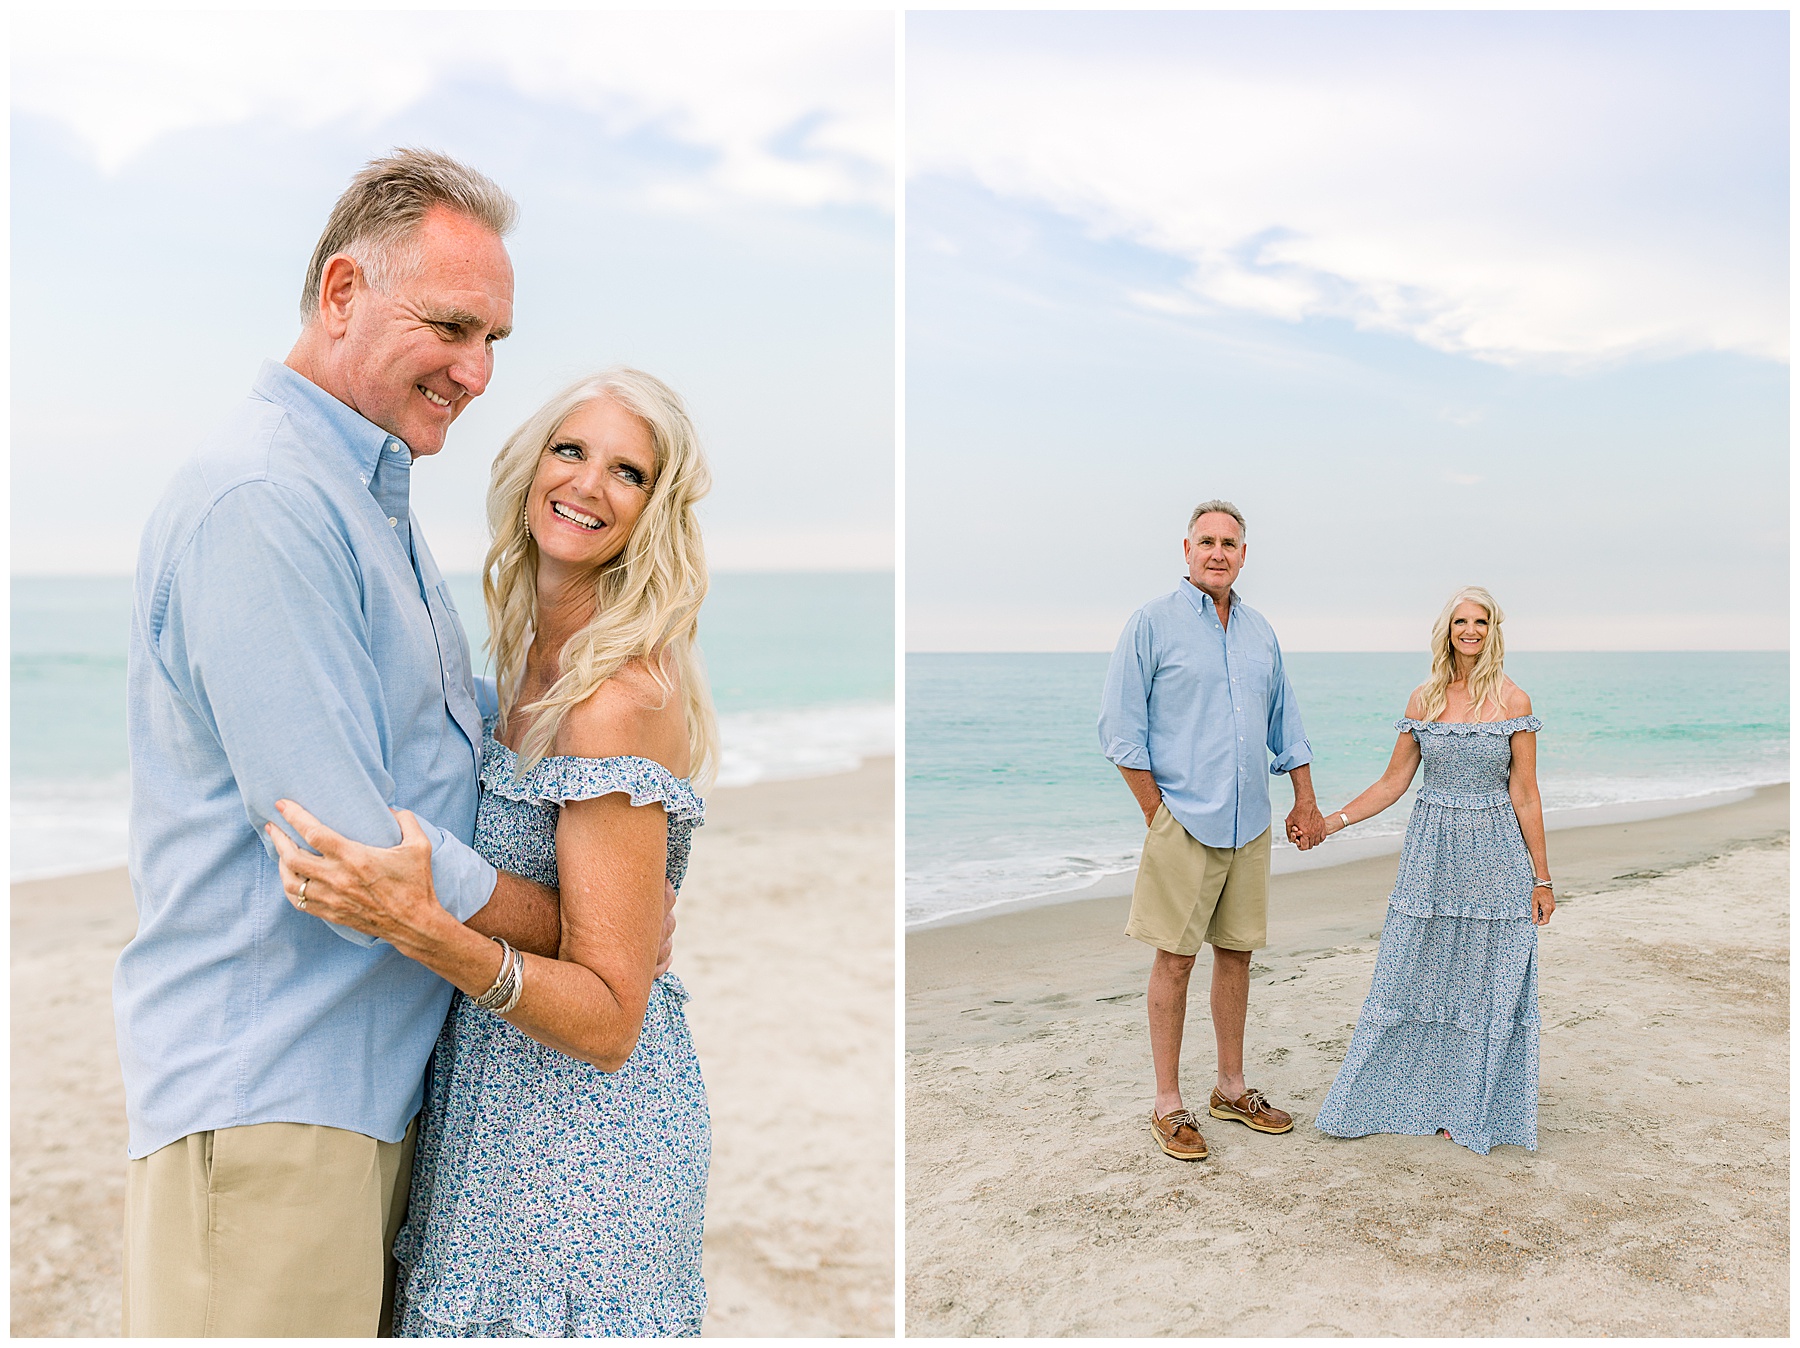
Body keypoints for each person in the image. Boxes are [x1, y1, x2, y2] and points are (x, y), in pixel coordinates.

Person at [114, 149, 672, 1337]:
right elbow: (357, 855)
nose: (475, 373)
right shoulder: (266, 502)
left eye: (494, 341)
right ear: (340, 294)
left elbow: (449, 754)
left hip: (382, 1098)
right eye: (451, 326)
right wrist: (583, 919)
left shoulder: (368, 506)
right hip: (277, 1093)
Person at [269, 368, 718, 1335]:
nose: (589, 485)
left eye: (628, 473)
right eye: (571, 450)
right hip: (489, 1110)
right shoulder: (522, 656)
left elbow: (608, 1019)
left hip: (586, 1144)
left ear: (655, 510)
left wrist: (424, 928)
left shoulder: (612, 701)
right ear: (529, 466)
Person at [1098, 500, 1325, 1163]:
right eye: (1207, 541)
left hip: (1249, 820)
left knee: (1237, 953)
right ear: (1187, 549)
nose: (1218, 552)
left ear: (1244, 554)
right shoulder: (1151, 624)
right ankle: (1168, 1104)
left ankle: (1231, 1087)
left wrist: (1304, 800)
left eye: (1230, 542)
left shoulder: (1259, 633)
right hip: (1184, 822)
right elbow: (1120, 731)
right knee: (1174, 958)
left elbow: (1287, 723)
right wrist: (1156, 814)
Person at [1309, 586, 1550, 1155]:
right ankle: (1407, 1098)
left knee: (1485, 986)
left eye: (1482, 622)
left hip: (1496, 859)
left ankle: (1470, 1108)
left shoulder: (1514, 701)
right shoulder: (1425, 699)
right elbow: (1393, 783)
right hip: (1432, 857)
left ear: (1495, 631)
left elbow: (1526, 792)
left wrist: (1542, 878)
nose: (1471, 631)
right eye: (1461, 622)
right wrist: (1331, 821)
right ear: (1447, 630)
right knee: (1413, 975)